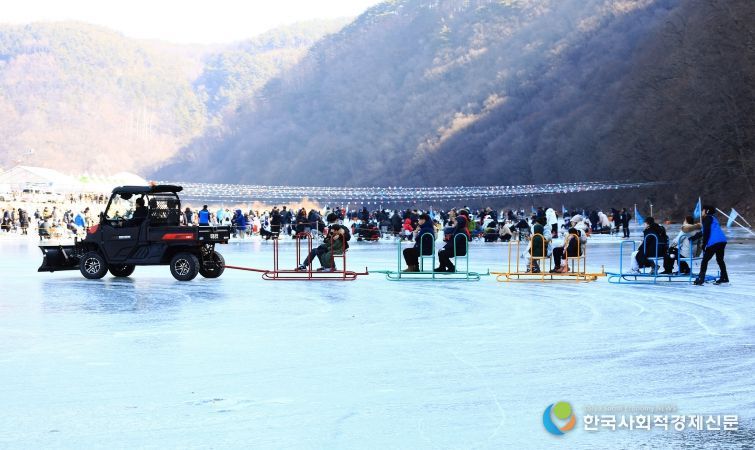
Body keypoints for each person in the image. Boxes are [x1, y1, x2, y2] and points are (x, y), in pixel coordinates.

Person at [691, 206, 729, 285]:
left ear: (706, 211)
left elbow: (706, 231)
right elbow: (704, 231)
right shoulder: (713, 219)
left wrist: (704, 244)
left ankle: (701, 279)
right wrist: (694, 237)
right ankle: (724, 277)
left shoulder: (707, 218)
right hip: (722, 240)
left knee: (705, 261)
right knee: (720, 260)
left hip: (714, 242)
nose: (701, 212)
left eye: (702, 210)